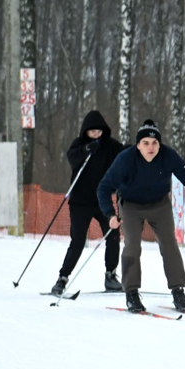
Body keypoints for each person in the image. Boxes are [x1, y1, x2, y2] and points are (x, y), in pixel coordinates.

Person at [97, 119, 185, 313]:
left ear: (160, 144)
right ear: (138, 145)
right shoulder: (126, 159)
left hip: (159, 204)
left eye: (155, 143)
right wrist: (110, 215)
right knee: (132, 245)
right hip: (131, 205)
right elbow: (104, 187)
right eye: (145, 143)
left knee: (169, 244)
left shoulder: (168, 156)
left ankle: (178, 291)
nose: (150, 147)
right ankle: (131, 293)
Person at [51, 110, 125, 295]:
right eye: (92, 132)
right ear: (85, 132)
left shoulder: (109, 145)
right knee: (78, 240)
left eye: (99, 132)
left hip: (102, 201)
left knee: (113, 234)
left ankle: (110, 275)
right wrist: (86, 150)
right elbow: (72, 158)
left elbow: (125, 154)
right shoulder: (79, 144)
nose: (96, 135)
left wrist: (137, 147)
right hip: (80, 202)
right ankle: (62, 279)